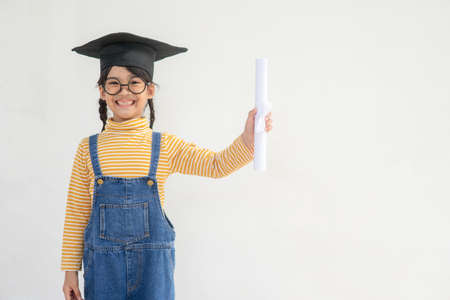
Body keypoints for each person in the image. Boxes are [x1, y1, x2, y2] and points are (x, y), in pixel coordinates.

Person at [61, 32, 273, 300]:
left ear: (149, 90)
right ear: (102, 92)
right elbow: (77, 212)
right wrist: (70, 270)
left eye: (134, 83)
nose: (124, 92)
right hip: (103, 272)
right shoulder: (87, 149)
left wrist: (247, 139)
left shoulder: (165, 146)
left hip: (153, 272)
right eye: (114, 84)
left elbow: (216, 165)